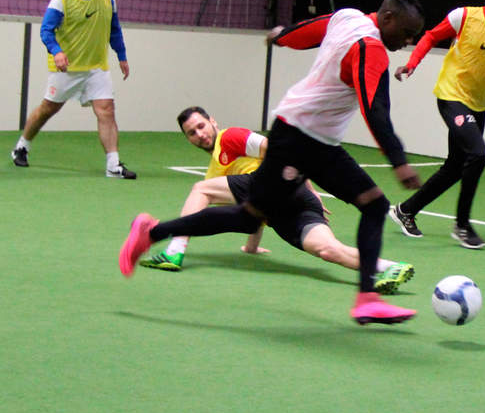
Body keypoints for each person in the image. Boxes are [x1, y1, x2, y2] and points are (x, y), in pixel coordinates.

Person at [119, 0, 427, 325]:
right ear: (388, 18)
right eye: (408, 32)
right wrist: (398, 160)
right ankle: (367, 298)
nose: (409, 41)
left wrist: (282, 37)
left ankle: (152, 232)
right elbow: (375, 108)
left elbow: (310, 30)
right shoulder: (372, 50)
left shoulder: (349, 17)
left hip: (310, 138)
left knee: (253, 218)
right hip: (300, 139)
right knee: (371, 205)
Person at [137, 105, 414, 295]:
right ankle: (388, 267)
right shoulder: (218, 171)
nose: (200, 134)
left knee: (201, 190)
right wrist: (251, 246)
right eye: (192, 133)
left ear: (213, 122)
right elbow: (253, 210)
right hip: (283, 211)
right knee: (329, 250)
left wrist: (304, 181)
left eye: (201, 126)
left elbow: (280, 149)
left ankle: (174, 250)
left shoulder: (230, 138)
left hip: (287, 190)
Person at [389, 0, 485, 249]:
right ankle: (462, 225)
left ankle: (405, 211)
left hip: (478, 105)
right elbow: (430, 36)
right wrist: (411, 64)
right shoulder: (463, 16)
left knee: (456, 167)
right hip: (451, 96)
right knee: (478, 154)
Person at [11, 0, 135, 177]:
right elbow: (46, 30)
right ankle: (22, 146)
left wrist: (122, 56)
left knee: (106, 110)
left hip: (97, 68)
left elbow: (114, 29)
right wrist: (57, 52)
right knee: (47, 110)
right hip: (66, 68)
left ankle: (113, 165)